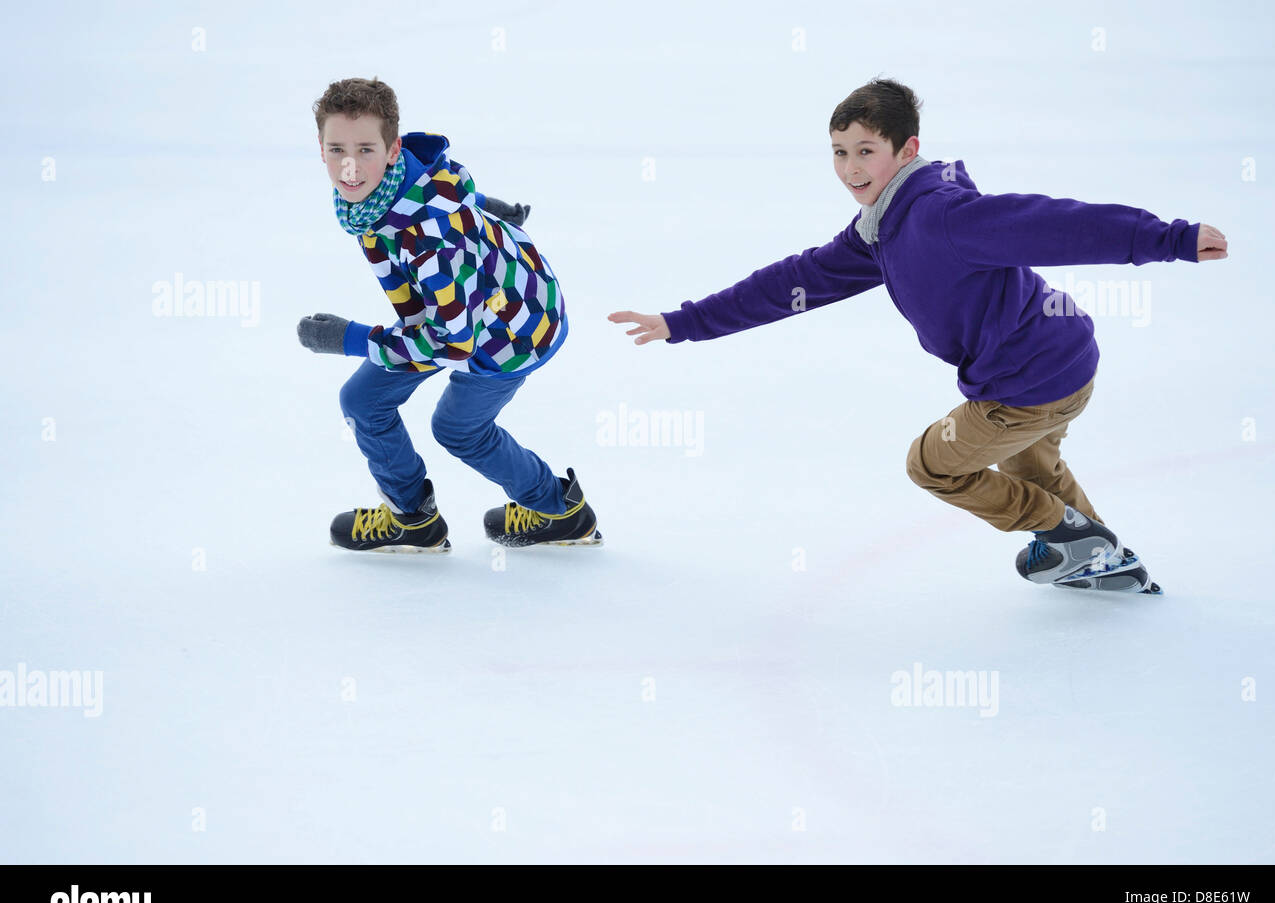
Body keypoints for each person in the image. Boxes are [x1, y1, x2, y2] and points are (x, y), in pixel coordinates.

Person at [609, 77, 1227, 593]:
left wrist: (1169, 239)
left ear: (907, 151)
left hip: (1024, 383)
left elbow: (1059, 226)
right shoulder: (881, 228)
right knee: (1034, 468)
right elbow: (795, 282)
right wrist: (683, 322)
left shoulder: (942, 216)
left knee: (933, 464)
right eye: (839, 151)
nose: (851, 168)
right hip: (1063, 363)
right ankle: (1100, 556)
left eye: (866, 150)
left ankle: (1069, 534)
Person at [297, 77, 600, 552]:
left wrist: (349, 338)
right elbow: (443, 191)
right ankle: (413, 518)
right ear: (320, 149)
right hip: (455, 309)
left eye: (365, 150)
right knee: (363, 400)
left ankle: (557, 510)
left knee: (459, 430)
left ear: (392, 148)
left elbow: (452, 344)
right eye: (336, 149)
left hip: (510, 327)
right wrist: (485, 209)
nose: (349, 167)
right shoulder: (388, 188)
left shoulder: (431, 245)